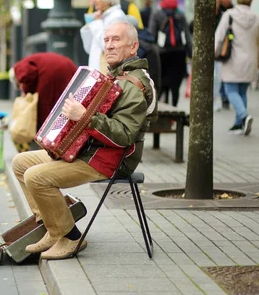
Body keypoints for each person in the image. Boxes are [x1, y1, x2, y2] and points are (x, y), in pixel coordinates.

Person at [12, 21, 157, 260]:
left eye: (116, 40)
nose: (108, 45)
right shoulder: (116, 75)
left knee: (35, 177)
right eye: (107, 40)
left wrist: (86, 116)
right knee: (20, 163)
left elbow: (124, 135)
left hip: (111, 159)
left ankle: (69, 237)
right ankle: (53, 227)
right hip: (89, 149)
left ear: (134, 47)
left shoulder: (134, 84)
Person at [215, 0, 259, 136]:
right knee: (242, 91)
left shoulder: (229, 15)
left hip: (233, 58)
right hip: (250, 59)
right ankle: (239, 124)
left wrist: (213, 53)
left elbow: (219, 36)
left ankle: (244, 116)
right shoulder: (255, 17)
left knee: (230, 90)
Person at [11, 52, 78, 131]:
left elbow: (28, 74)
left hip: (52, 73)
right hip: (68, 67)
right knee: (66, 100)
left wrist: (26, 91)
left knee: (45, 107)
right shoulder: (29, 60)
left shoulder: (17, 68)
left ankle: (48, 132)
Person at [149, 0, 192, 107]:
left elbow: (152, 34)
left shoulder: (157, 15)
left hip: (162, 54)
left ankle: (162, 108)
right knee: (175, 85)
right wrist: (190, 53)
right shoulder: (180, 15)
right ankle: (174, 107)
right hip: (179, 54)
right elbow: (187, 36)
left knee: (162, 83)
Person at [80, 0, 126, 72]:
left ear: (107, 0)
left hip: (107, 69)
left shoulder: (116, 17)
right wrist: (91, 25)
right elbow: (89, 48)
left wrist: (97, 22)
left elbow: (107, 45)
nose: (94, 0)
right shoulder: (104, 16)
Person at [216, 0, 235, 110]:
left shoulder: (233, 10)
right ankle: (223, 96)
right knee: (219, 73)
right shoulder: (217, 10)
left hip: (230, 44)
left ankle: (225, 96)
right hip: (218, 45)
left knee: (226, 71)